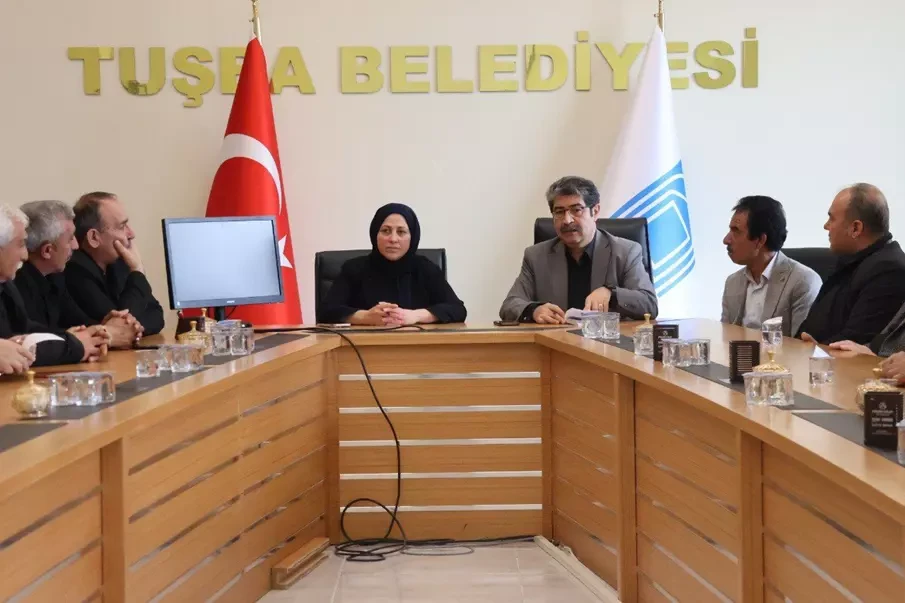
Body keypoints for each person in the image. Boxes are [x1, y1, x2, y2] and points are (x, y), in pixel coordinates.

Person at [499, 176, 657, 324]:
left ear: (595, 211)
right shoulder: (536, 256)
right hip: (555, 341)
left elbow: (649, 304)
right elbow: (510, 305)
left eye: (576, 210)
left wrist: (612, 294)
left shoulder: (625, 251)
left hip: (606, 342)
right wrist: (534, 310)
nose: (567, 220)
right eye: (559, 212)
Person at [15, 200, 143, 348]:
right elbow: (37, 340)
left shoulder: (55, 278)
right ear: (47, 251)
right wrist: (107, 334)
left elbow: (79, 323)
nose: (76, 246)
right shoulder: (18, 286)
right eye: (70, 239)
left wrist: (105, 327)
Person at [317, 203, 467, 326]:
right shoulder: (354, 269)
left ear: (412, 237)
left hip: (417, 347)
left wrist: (415, 316)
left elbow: (457, 309)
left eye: (401, 232)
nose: (393, 239)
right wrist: (365, 317)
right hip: (362, 348)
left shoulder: (426, 268)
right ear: (375, 234)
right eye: (386, 231)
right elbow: (326, 311)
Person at [0, 204, 108, 366]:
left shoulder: (6, 285)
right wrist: (75, 346)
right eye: (21, 244)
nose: (25, 255)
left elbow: (26, 333)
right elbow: (14, 348)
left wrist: (74, 339)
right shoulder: (18, 280)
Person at [797, 183, 905, 345]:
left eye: (832, 218)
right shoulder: (851, 260)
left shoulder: (889, 270)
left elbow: (856, 341)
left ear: (856, 228)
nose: (826, 226)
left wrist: (816, 350)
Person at [64, 192, 165, 335]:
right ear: (94, 237)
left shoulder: (118, 263)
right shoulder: (74, 271)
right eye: (122, 226)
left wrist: (134, 329)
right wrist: (137, 270)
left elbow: (156, 314)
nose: (131, 234)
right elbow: (119, 325)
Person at [720, 196, 822, 336]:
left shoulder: (803, 281)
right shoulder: (732, 282)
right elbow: (725, 337)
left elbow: (802, 344)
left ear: (760, 240)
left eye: (736, 231)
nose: (726, 240)